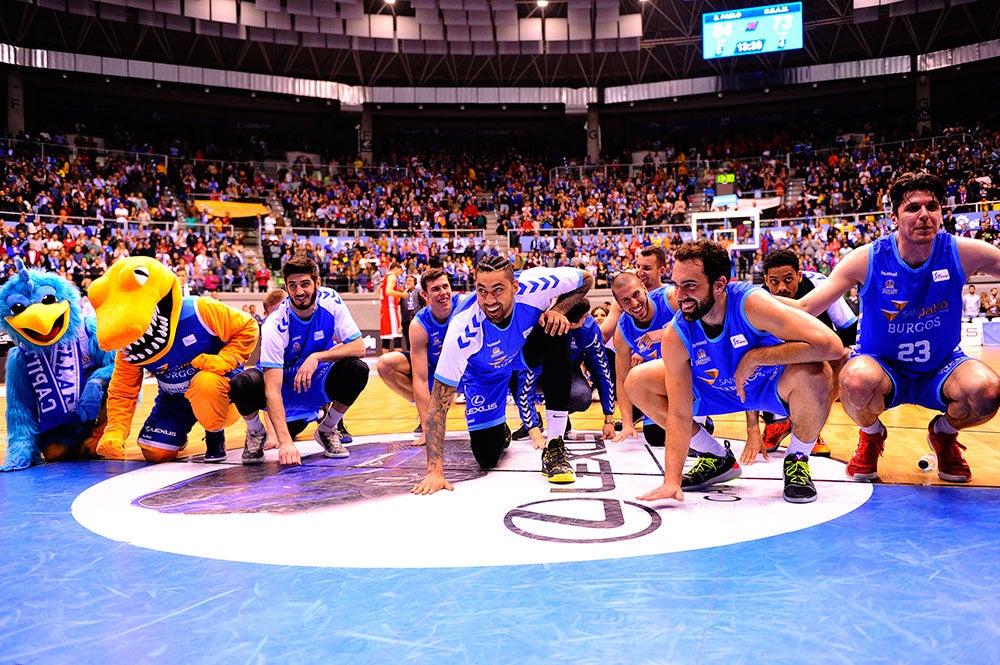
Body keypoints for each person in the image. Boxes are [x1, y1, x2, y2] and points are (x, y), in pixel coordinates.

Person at [797, 172, 1000, 483]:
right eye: (912, 208)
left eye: (932, 206)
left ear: (941, 212)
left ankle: (944, 435)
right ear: (893, 217)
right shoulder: (866, 259)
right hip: (883, 367)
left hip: (942, 367)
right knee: (853, 379)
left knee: (987, 391)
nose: (924, 215)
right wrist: (743, 304)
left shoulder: (960, 251)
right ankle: (871, 435)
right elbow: (806, 308)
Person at [627, 240, 842, 504]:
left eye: (690, 285)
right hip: (717, 387)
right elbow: (679, 413)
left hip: (769, 384)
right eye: (676, 284)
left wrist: (757, 357)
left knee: (818, 373)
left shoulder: (753, 304)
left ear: (719, 285)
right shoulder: (676, 331)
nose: (680, 295)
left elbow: (831, 346)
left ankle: (797, 459)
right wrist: (672, 479)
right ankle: (717, 458)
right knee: (637, 381)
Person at [412, 256, 594, 495]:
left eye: (498, 290)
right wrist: (435, 471)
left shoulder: (537, 285)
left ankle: (555, 445)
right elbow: (439, 402)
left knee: (555, 327)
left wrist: (558, 310)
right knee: (486, 457)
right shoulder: (462, 329)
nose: (489, 300)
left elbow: (587, 279)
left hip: (525, 354)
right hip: (485, 375)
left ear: (515, 287)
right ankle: (501, 432)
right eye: (481, 290)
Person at [229, 255, 369, 466]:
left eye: (305, 284)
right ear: (286, 287)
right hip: (283, 392)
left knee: (357, 369)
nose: (299, 291)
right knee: (242, 383)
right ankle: (256, 432)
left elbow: (359, 347)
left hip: (316, 384)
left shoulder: (331, 301)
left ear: (317, 283)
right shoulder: (274, 325)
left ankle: (328, 428)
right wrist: (285, 442)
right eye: (292, 286)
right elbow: (272, 390)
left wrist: (317, 357)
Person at [759, 248, 859, 457]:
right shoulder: (756, 299)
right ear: (766, 281)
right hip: (778, 364)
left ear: (799, 275)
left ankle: (811, 429)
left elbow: (848, 330)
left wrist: (810, 350)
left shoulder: (820, 285)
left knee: (844, 355)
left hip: (814, 360)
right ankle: (774, 423)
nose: (782, 288)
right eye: (774, 282)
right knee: (753, 359)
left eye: (788, 279)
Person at [512, 298, 617, 445]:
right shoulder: (543, 324)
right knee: (514, 376)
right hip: (540, 370)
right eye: (566, 323)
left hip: (569, 372)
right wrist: (533, 428)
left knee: (581, 396)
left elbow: (602, 370)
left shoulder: (590, 329)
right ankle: (534, 419)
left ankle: (560, 415)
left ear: (585, 316)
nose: (568, 327)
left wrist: (609, 418)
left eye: (573, 326)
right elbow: (527, 377)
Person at [376, 268, 462, 446]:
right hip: (436, 370)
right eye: (435, 289)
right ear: (424, 294)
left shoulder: (464, 304)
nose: (442, 293)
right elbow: (420, 379)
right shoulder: (419, 324)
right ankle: (430, 409)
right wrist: (427, 427)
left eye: (445, 286)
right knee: (385, 364)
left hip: (468, 372)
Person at [379, 262, 408, 355]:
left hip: (384, 308)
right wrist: (401, 294)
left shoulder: (384, 277)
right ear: (396, 268)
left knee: (386, 337)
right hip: (390, 308)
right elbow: (388, 291)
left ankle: (384, 359)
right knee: (397, 335)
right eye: (400, 271)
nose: (400, 273)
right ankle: (397, 361)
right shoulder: (392, 276)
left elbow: (378, 292)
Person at [399, 274, 423, 351]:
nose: (407, 282)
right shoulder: (402, 293)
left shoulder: (419, 292)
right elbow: (397, 302)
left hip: (416, 319)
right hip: (406, 320)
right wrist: (402, 292)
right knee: (408, 341)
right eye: (406, 280)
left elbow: (424, 304)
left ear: (414, 282)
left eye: (410, 280)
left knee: (417, 340)